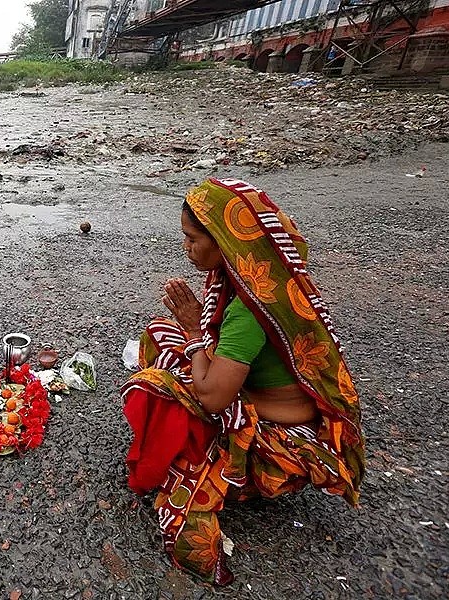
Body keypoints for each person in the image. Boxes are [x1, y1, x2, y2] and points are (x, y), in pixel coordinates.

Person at [122, 178, 364, 585]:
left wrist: (195, 331)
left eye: (192, 238)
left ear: (224, 242)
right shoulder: (265, 279)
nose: (187, 247)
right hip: (262, 394)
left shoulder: (248, 310)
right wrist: (193, 329)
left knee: (154, 388)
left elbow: (214, 397)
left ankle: (227, 477)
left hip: (283, 433)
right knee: (159, 334)